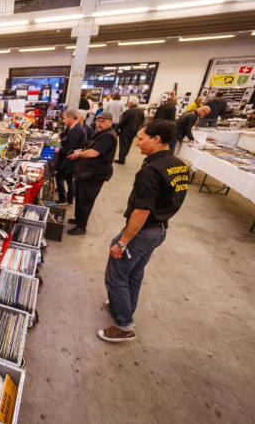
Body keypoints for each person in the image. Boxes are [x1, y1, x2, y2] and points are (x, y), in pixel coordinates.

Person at [98, 119, 189, 342]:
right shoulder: (178, 164)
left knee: (115, 276)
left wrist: (123, 242)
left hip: (143, 231)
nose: (137, 144)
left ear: (157, 139)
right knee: (134, 273)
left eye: (141, 139)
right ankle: (124, 308)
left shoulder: (151, 171)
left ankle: (123, 325)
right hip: (159, 230)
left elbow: (142, 211)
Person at [67, 112, 118, 235]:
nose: (99, 123)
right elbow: (89, 148)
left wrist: (79, 154)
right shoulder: (101, 133)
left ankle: (81, 227)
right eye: (98, 121)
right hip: (86, 173)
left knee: (86, 201)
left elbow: (94, 153)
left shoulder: (108, 136)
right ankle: (78, 219)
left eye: (103, 121)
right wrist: (81, 150)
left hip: (94, 175)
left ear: (110, 122)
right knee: (80, 198)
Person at [55, 109, 87, 206]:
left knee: (59, 176)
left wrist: (59, 150)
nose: (63, 121)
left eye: (64, 118)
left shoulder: (77, 129)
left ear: (70, 118)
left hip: (71, 158)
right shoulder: (74, 127)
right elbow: (67, 140)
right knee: (69, 178)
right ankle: (70, 199)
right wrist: (59, 141)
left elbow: (71, 146)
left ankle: (62, 199)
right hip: (73, 157)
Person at [115, 97, 145, 165]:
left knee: (123, 145)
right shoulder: (141, 111)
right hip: (134, 131)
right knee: (128, 145)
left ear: (132, 103)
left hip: (125, 131)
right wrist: (138, 128)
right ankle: (123, 157)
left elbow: (122, 121)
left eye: (128, 102)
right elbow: (143, 121)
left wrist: (117, 129)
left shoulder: (128, 111)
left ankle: (121, 160)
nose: (127, 103)